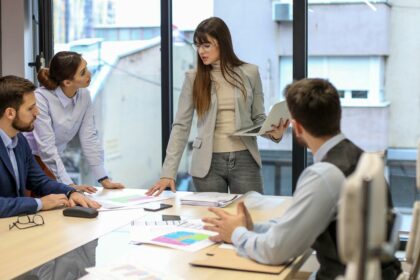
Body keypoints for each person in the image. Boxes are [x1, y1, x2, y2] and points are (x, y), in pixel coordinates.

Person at [202, 78, 401, 280]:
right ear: (337, 115)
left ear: (296, 128)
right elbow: (296, 229)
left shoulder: (324, 175)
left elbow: (275, 251)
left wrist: (236, 233)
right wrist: (252, 228)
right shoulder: (360, 157)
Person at [147, 17, 288, 196]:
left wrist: (273, 133)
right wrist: (168, 173)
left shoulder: (250, 72)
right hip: (207, 163)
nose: (201, 51)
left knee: (251, 215)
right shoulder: (193, 78)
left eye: (206, 45)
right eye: (197, 45)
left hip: (245, 158)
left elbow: (258, 118)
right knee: (212, 219)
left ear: (222, 43)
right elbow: (181, 126)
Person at [0, 75, 100, 218]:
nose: (37, 113)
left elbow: (39, 181)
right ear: (10, 113)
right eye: (30, 108)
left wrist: (71, 192)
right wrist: (39, 203)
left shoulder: (19, 140)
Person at [24, 51, 124, 192]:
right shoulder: (41, 98)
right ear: (67, 82)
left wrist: (103, 178)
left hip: (52, 161)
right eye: (83, 73)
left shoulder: (84, 95)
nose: (89, 74)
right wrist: (69, 186)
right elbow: (46, 148)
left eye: (86, 68)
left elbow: (89, 137)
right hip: (31, 161)